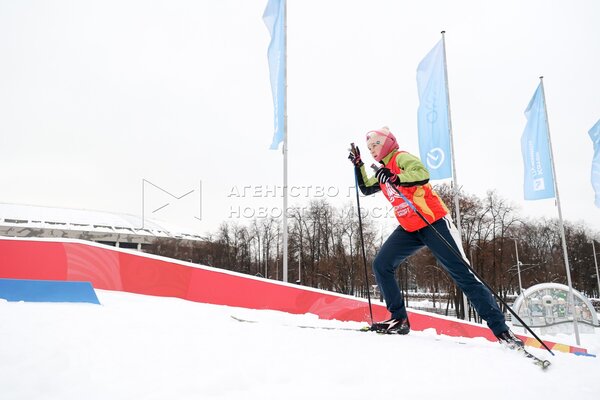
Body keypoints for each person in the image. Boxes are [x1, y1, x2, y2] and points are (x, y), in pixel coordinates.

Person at [348, 126, 523, 347]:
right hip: (410, 228)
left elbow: (422, 174)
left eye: (376, 144)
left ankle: (502, 331)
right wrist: (359, 166)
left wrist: (396, 176)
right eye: (369, 147)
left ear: (388, 143)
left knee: (462, 274)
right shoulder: (383, 171)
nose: (373, 149)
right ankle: (399, 319)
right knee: (381, 264)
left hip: (433, 222)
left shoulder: (400, 158)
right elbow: (366, 188)